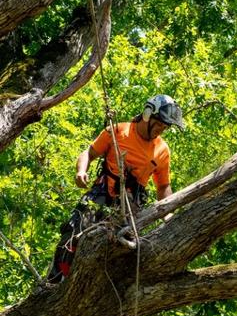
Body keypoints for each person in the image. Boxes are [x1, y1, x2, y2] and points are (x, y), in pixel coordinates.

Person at [46, 94, 184, 284]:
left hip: (130, 205)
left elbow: (163, 186)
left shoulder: (162, 150)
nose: (161, 130)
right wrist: (81, 171)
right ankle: (55, 281)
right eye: (160, 124)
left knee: (121, 251)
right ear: (147, 114)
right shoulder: (118, 131)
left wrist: (168, 214)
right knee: (74, 232)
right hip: (102, 193)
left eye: (165, 127)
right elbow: (89, 153)